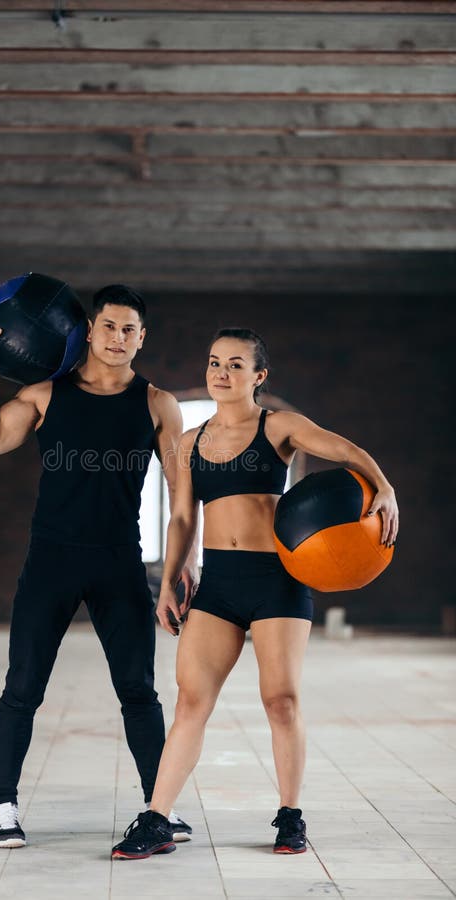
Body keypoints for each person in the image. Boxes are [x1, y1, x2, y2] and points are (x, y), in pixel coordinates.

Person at [112, 327, 399, 860]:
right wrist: (171, 581)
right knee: (191, 702)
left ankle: (291, 816)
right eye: (215, 362)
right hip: (218, 585)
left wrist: (383, 486)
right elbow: (181, 518)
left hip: (278, 583)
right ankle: (155, 819)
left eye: (236, 365)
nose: (222, 373)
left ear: (258, 377)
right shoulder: (190, 442)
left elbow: (347, 450)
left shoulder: (279, 427)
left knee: (281, 701)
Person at [0, 284, 198, 848]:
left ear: (142, 339)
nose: (118, 338)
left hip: (120, 560)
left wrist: (176, 568)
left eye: (130, 330)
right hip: (51, 558)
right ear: (88, 331)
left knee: (139, 690)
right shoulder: (45, 395)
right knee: (22, 687)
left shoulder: (157, 404)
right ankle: (2, 808)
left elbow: (183, 497)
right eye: (109, 326)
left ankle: (158, 806)